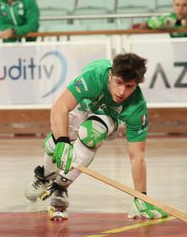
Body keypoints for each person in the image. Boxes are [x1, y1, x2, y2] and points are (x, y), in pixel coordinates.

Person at [24, 53, 168, 221]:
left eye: (129, 86)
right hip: (84, 104)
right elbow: (60, 107)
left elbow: (137, 156)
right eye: (118, 83)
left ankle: (60, 186)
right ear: (110, 76)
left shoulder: (137, 106)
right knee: (55, 141)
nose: (122, 92)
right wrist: (63, 141)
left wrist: (141, 196)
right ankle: (45, 176)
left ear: (137, 85)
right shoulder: (93, 77)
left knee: (91, 133)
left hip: (107, 117)